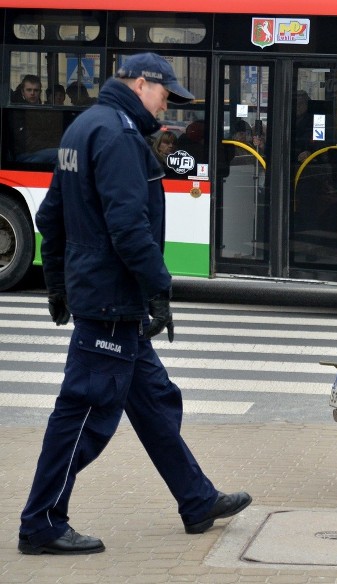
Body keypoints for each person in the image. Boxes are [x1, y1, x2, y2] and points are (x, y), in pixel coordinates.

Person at [19, 52, 251, 556]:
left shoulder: (82, 128)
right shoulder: (120, 135)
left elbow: (51, 216)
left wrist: (56, 283)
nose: (168, 106)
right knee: (84, 415)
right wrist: (157, 289)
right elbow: (129, 227)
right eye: (166, 94)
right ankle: (41, 522)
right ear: (142, 84)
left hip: (98, 293)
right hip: (111, 299)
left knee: (155, 400)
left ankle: (196, 499)